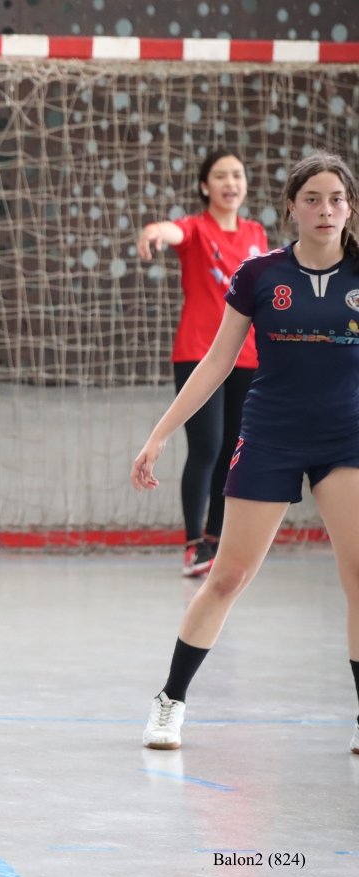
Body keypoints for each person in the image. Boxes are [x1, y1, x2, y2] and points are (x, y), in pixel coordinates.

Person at [132, 151, 359, 755]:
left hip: (346, 440)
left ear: (350, 208)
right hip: (271, 436)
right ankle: (170, 702)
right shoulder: (259, 274)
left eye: (336, 198)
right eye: (312, 199)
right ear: (291, 208)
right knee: (229, 576)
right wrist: (159, 434)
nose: (325, 209)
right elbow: (215, 362)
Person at [137, 150, 269, 577]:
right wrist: (154, 231)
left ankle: (215, 541)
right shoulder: (196, 228)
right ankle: (194, 545)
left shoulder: (256, 234)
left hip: (248, 356)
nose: (231, 183)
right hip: (198, 353)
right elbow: (171, 231)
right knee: (207, 446)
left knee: (233, 450)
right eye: (220, 176)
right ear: (204, 186)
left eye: (237, 175)